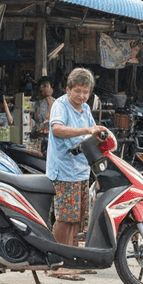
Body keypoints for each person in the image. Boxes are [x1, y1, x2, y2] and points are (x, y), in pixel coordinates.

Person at [46, 68, 107, 253]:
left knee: (78, 218)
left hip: (81, 169)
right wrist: (87, 131)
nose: (81, 95)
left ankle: (72, 258)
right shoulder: (60, 105)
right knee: (65, 218)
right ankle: (57, 261)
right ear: (68, 89)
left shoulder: (86, 108)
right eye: (78, 91)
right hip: (64, 170)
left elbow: (91, 134)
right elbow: (57, 129)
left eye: (85, 92)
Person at [30, 76, 55, 155]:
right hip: (38, 138)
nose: (46, 88)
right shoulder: (36, 102)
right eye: (44, 86)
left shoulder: (56, 102)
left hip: (52, 137)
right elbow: (30, 119)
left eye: (47, 86)